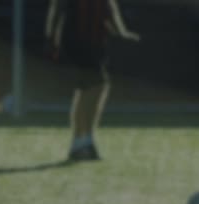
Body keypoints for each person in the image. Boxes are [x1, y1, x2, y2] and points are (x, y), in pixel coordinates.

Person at [45, 0, 140, 161]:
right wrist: (51, 38)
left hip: (94, 41)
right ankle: (83, 141)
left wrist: (121, 31)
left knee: (89, 88)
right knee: (95, 85)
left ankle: (81, 142)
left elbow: (109, 6)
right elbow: (57, 7)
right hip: (78, 38)